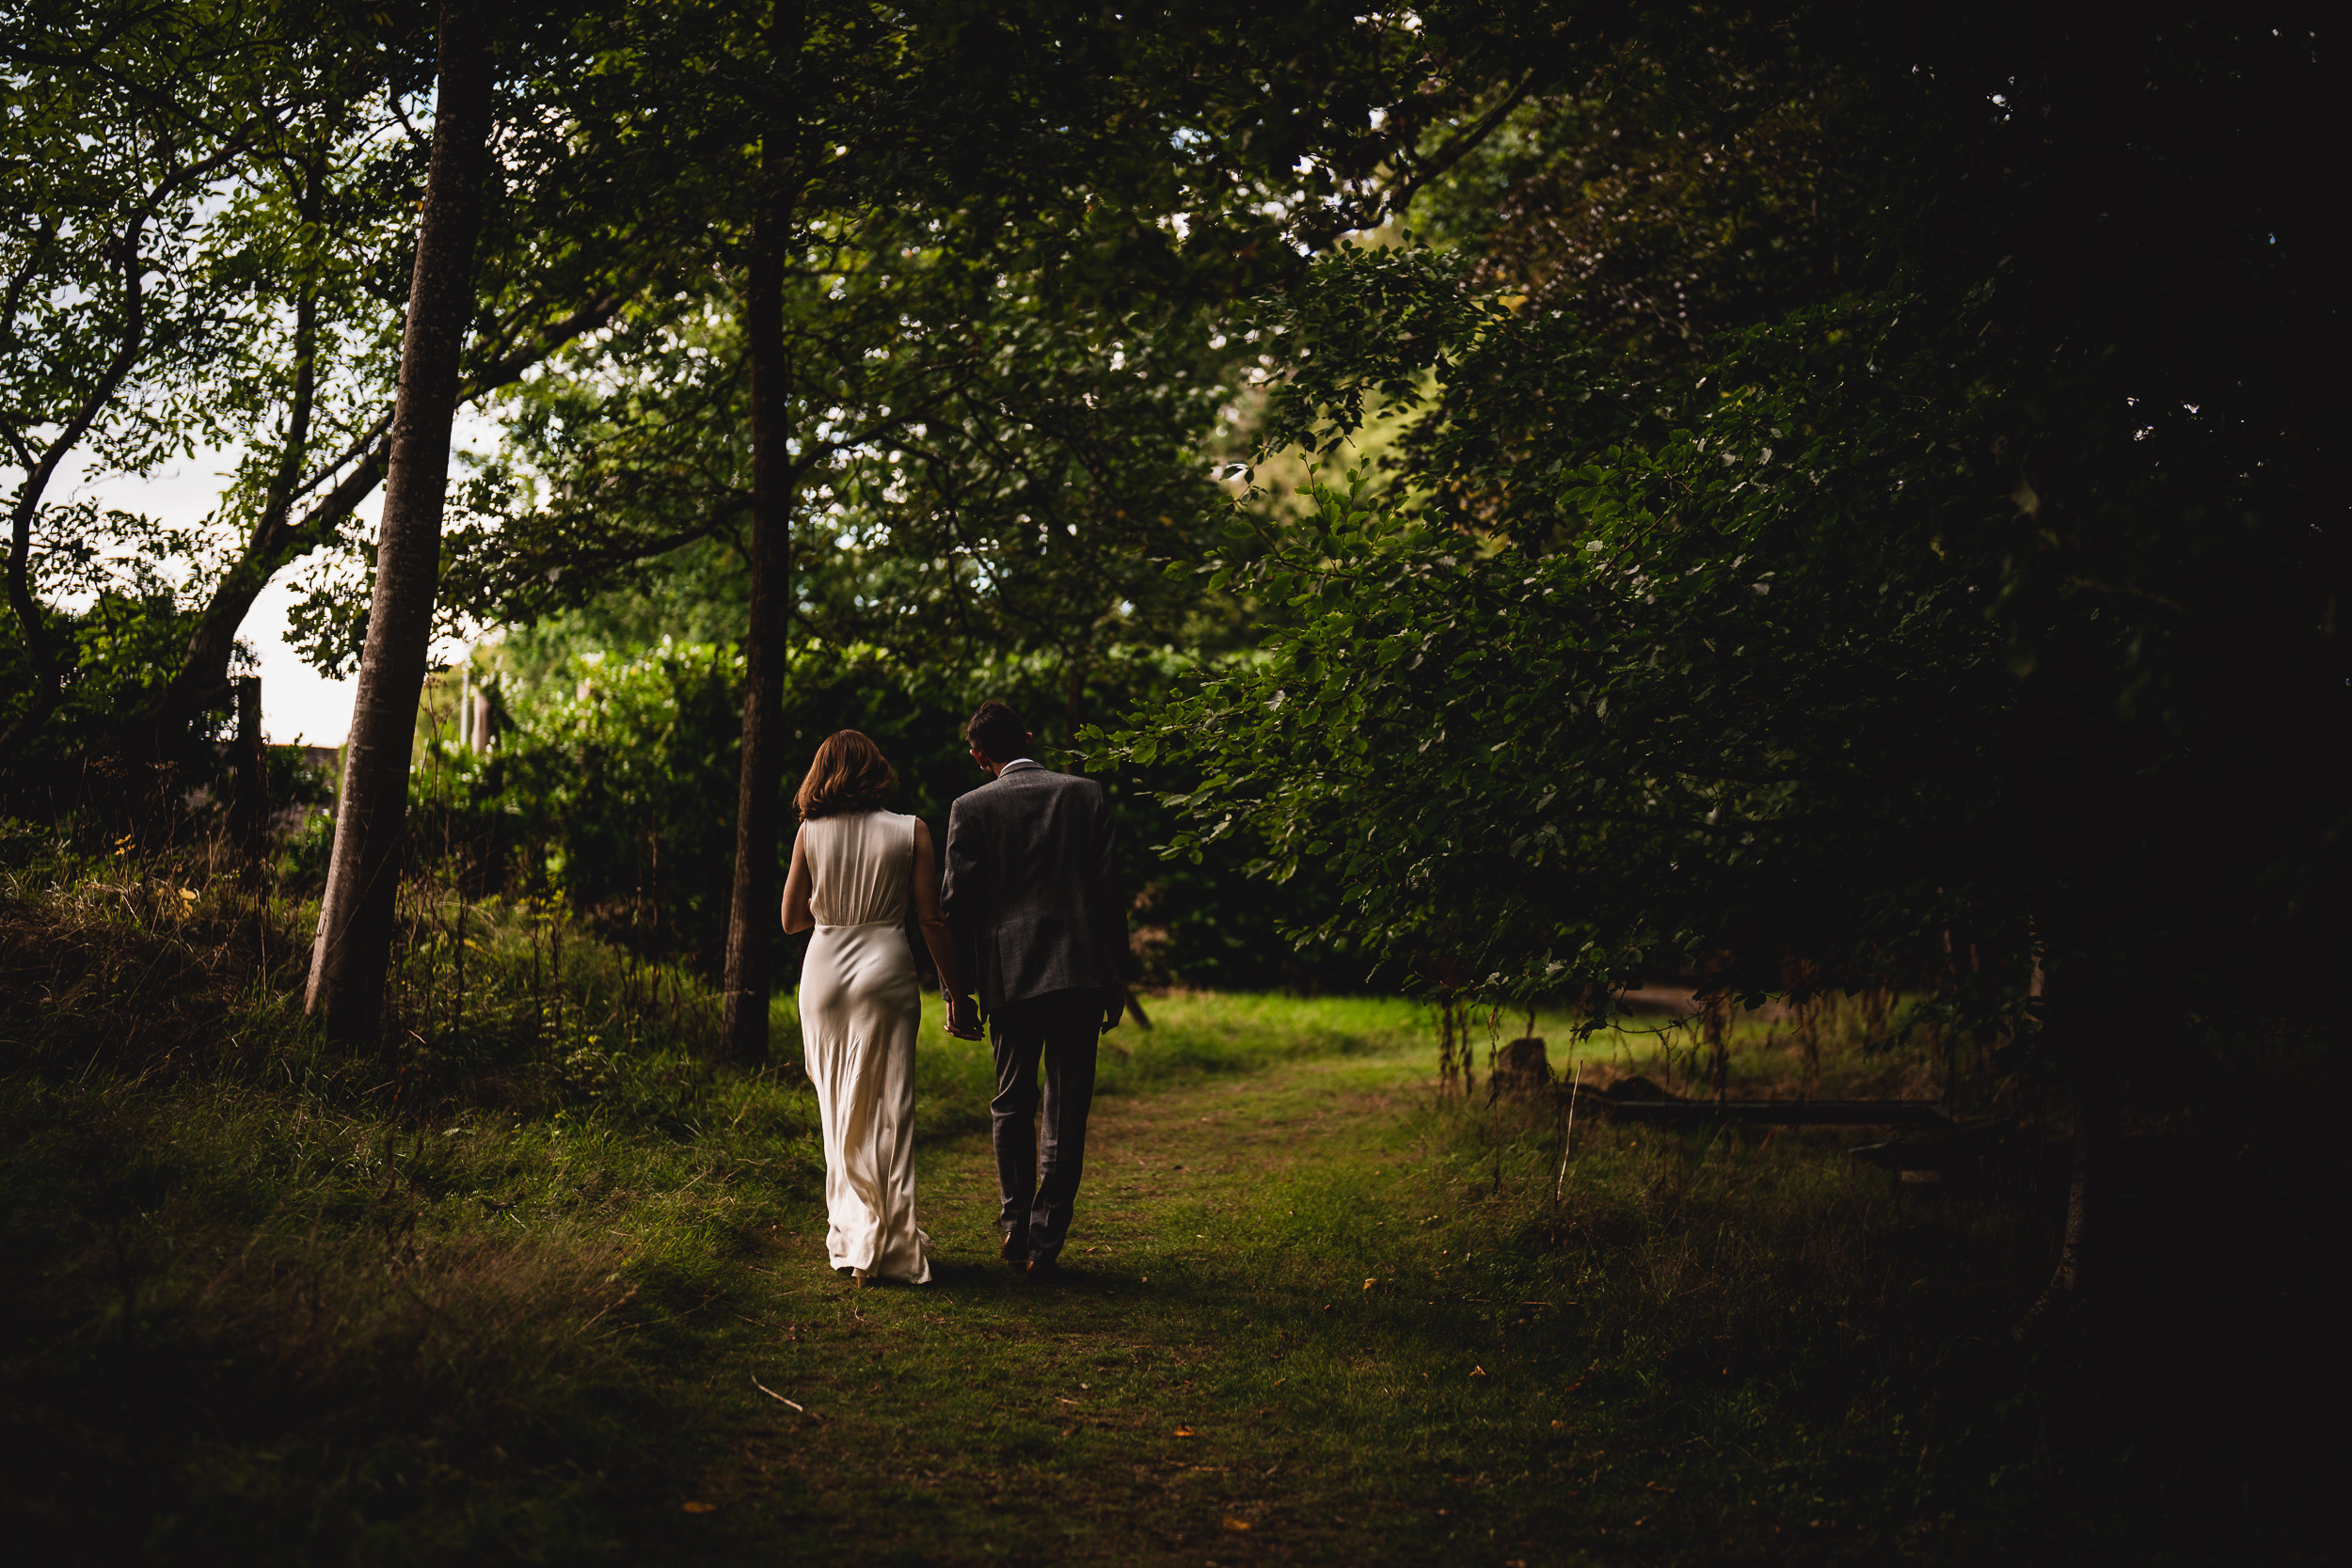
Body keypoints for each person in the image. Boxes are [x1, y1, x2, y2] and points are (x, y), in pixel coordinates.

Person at [941, 700, 1127, 1281]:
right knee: (1066, 1110)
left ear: (979, 756)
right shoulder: (1085, 794)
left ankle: (1014, 1222)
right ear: (1028, 735)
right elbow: (1108, 895)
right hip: (1078, 972)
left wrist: (961, 992)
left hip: (1008, 975)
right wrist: (1114, 978)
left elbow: (955, 910)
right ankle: (1045, 1244)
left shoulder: (970, 808)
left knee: (1012, 1103)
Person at [782, 730, 972, 1285]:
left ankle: (853, 1230)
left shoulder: (808, 834)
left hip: (824, 976)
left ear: (822, 773)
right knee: (890, 1106)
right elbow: (931, 919)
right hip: (885, 968)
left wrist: (828, 904)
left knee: (838, 1108)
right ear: (876, 770)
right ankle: (889, 1239)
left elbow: (792, 920)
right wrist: (959, 993)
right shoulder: (910, 830)